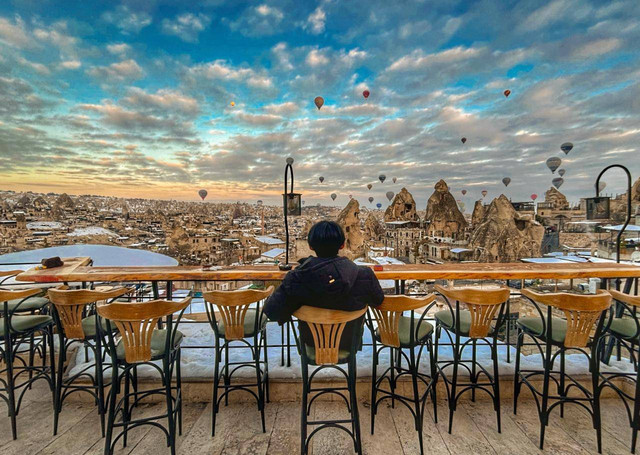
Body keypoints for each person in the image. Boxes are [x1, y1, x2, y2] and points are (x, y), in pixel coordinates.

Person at [264, 220, 384, 349]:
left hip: (312, 343)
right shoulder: (364, 275)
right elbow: (378, 300)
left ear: (310, 246)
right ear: (342, 245)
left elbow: (272, 312)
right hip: (349, 343)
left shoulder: (296, 279)